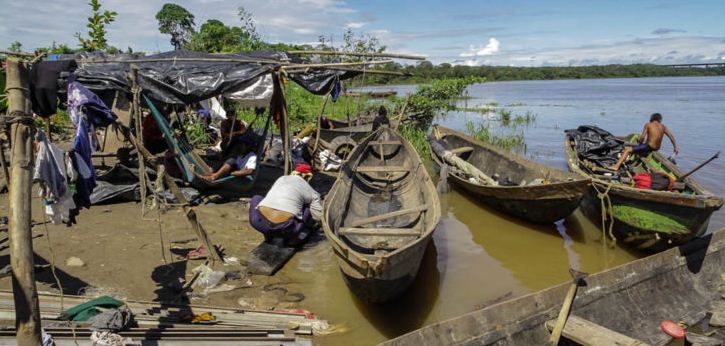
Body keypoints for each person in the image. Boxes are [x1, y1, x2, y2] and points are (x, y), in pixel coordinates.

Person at [249, 164, 322, 245]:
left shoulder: (281, 178)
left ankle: (268, 235)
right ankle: (293, 239)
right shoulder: (312, 192)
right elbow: (318, 217)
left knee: (257, 197)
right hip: (285, 229)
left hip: (258, 223)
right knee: (308, 207)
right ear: (308, 177)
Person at [610, 113, 679, 171]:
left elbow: (642, 137)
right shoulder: (663, 126)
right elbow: (671, 137)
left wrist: (639, 143)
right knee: (640, 147)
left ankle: (616, 166)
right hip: (656, 148)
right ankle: (633, 158)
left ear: (652, 118)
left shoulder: (648, 124)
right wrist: (675, 147)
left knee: (627, 150)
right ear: (660, 120)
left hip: (649, 147)